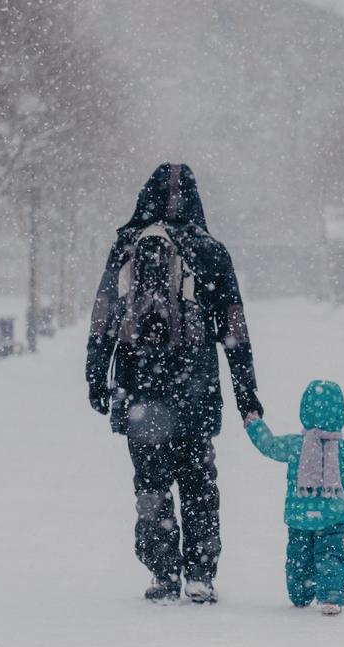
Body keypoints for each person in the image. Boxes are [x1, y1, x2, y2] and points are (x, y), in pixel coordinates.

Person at [86, 163, 263, 603]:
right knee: (199, 485)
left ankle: (162, 573)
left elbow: (104, 315)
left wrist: (96, 375)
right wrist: (246, 396)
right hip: (195, 392)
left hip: (139, 388)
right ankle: (200, 575)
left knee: (150, 485)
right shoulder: (211, 251)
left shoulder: (127, 245)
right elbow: (234, 330)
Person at [244, 380, 344, 616]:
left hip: (300, 518)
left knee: (298, 558)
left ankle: (300, 592)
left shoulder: (297, 445)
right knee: (331, 556)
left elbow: (270, 446)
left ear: (304, 410)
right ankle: (331, 596)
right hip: (332, 516)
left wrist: (256, 426)